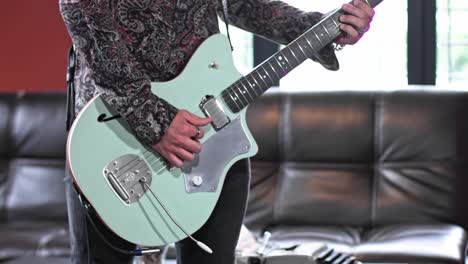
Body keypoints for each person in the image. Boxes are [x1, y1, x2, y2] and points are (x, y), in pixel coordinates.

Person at [59, 0, 375, 263]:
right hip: (116, 134)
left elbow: (239, 4)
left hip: (208, 129)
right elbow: (85, 17)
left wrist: (324, 29)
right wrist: (154, 120)